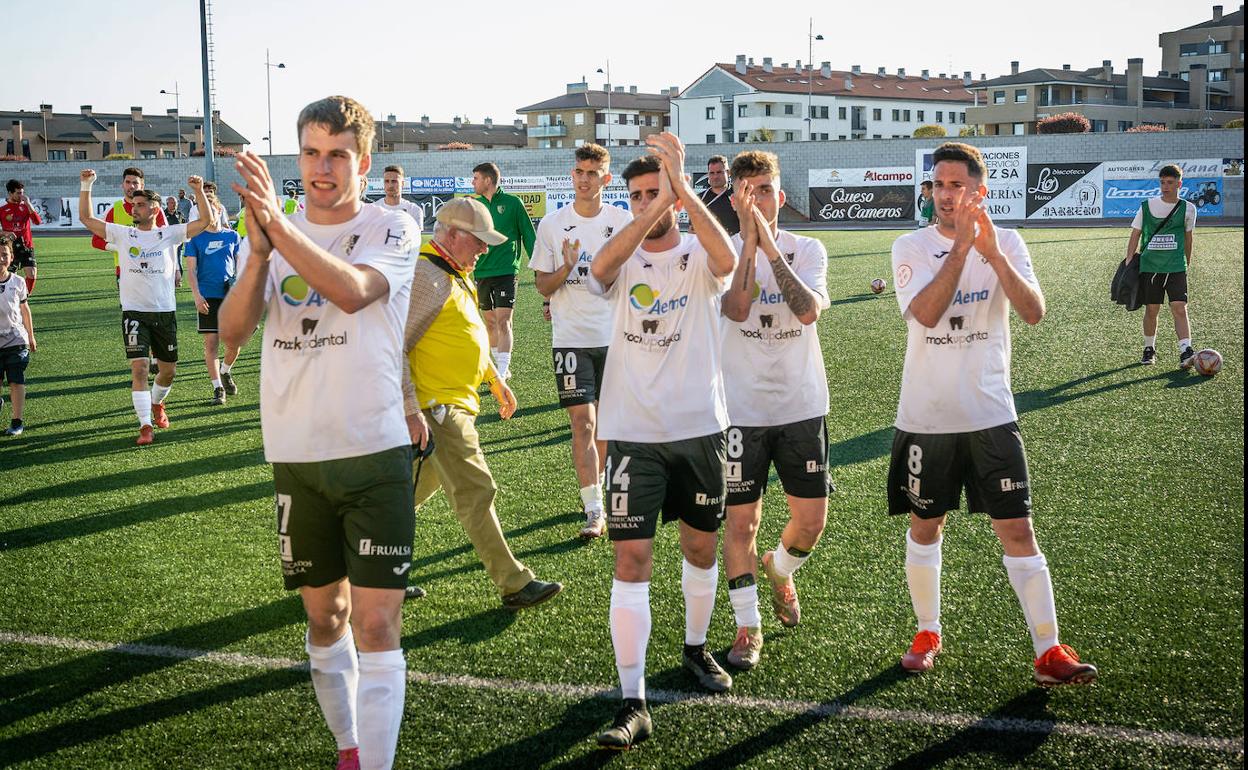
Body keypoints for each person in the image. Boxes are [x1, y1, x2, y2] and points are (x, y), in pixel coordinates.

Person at [220, 95, 418, 770]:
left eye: (337, 154)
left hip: (374, 452)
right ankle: (349, 748)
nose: (323, 168)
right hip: (296, 457)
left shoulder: (392, 227)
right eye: (311, 153)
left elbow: (354, 290)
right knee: (324, 619)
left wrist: (279, 227)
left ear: (362, 161)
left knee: (375, 623)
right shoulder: (273, 237)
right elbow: (232, 332)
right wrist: (257, 255)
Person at [888, 142, 1097, 687]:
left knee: (1018, 529)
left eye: (957, 185)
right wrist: (960, 251)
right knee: (925, 525)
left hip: (989, 412)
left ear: (980, 191)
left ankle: (1049, 651)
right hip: (927, 417)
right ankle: (927, 630)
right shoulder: (909, 244)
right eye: (938, 184)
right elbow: (927, 317)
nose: (945, 194)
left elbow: (1033, 313)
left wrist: (993, 253)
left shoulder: (1007, 240)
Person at [588, 133, 738, 750]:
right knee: (632, 562)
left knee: (701, 553)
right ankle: (634, 700)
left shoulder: (700, 255)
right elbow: (598, 272)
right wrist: (653, 207)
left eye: (656, 193)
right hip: (633, 435)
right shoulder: (621, 254)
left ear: (676, 197)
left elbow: (728, 260)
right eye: (637, 195)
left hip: (699, 429)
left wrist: (683, 193)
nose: (646, 203)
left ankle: (697, 651)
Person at [402, 197, 564, 610]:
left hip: (449, 403)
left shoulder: (449, 270)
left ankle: (371, 572)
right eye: (479, 241)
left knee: (401, 497)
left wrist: (494, 379)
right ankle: (514, 583)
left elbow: (464, 333)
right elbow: (393, 346)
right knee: (477, 489)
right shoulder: (426, 274)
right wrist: (409, 407)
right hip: (437, 407)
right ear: (453, 236)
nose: (485, 249)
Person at [718, 150, 831, 671]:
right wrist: (748, 246)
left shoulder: (808, 248)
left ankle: (780, 569)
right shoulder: (718, 252)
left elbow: (807, 310)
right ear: (735, 200)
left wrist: (769, 247)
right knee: (741, 523)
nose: (759, 200)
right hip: (740, 409)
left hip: (801, 404)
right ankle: (748, 627)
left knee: (810, 524)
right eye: (748, 193)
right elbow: (737, 310)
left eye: (766, 190)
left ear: (781, 196)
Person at [529, 144, 632, 539]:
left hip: (615, 338)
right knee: (582, 423)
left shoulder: (622, 221)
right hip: (570, 339)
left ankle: (600, 494)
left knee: (606, 425)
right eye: (579, 172)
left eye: (593, 173)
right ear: (571, 176)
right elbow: (542, 286)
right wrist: (567, 268)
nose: (584, 179)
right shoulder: (553, 225)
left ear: (606, 178)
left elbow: (632, 280)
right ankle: (593, 509)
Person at [78, 170, 211, 446]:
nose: (133, 209)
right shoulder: (124, 234)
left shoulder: (169, 233)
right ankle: (145, 425)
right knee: (139, 368)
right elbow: (86, 220)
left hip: (164, 313)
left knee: (168, 371)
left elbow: (206, 220)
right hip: (134, 312)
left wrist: (198, 190)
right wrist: (86, 185)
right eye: (133, 205)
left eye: (140, 205)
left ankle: (157, 404)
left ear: (154, 208)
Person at [1124, 164, 1198, 368]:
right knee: (1152, 309)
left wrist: (1186, 263)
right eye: (1162, 182)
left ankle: (1186, 351)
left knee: (1180, 308)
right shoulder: (1146, 206)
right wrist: (1129, 261)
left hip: (1175, 267)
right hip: (1150, 267)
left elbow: (1188, 239)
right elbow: (1135, 234)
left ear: (1179, 184)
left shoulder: (1189, 208)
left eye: (1170, 183)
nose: (1165, 187)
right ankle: (1149, 348)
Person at [471, 161, 535, 381]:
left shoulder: (513, 203)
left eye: (476, 178)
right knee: (489, 322)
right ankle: (498, 366)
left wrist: (539, 266)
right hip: (481, 272)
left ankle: (502, 369)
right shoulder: (475, 206)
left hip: (507, 271)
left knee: (503, 321)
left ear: (488, 180)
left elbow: (528, 235)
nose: (473, 182)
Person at [184, 186, 242, 405]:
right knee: (211, 344)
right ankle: (218, 387)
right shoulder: (195, 240)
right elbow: (191, 270)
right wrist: (197, 296)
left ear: (218, 210)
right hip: (208, 296)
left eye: (211, 210)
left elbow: (241, 265)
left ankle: (226, 370)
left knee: (236, 343)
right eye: (202, 211)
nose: (207, 215)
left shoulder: (233, 236)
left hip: (230, 296)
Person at [90, 167, 168, 281]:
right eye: (127, 182)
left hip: (154, 268)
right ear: (122, 184)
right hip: (124, 271)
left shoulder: (154, 209)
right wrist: (119, 248)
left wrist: (175, 269)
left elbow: (166, 239)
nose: (131, 186)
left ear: (142, 185)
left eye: (135, 183)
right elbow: (96, 241)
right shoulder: (113, 209)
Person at [0, 234, 35, 435]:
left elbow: (24, 310)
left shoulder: (18, 282)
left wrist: (30, 335)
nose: (1, 259)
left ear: (12, 257)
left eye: (5, 255)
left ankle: (16, 421)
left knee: (16, 379)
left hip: (16, 339)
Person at [1, 180, 42, 294]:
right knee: (9, 277)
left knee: (32, 274)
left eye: (22, 192)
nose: (21, 196)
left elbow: (37, 221)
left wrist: (28, 204)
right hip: (10, 248)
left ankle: (23, 298)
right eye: (18, 193)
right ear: (10, 193)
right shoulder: (2, 209)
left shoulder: (25, 207)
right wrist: (6, 233)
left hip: (26, 246)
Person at [695, 155, 739, 236]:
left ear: (728, 173)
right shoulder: (699, 199)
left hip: (735, 246)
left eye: (719, 172)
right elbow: (693, 229)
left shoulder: (739, 196)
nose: (715, 176)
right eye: (712, 173)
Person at [373, 165, 424, 230]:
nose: (390, 185)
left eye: (394, 181)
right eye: (387, 181)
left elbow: (416, 238)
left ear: (402, 184)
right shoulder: (373, 209)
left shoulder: (414, 210)